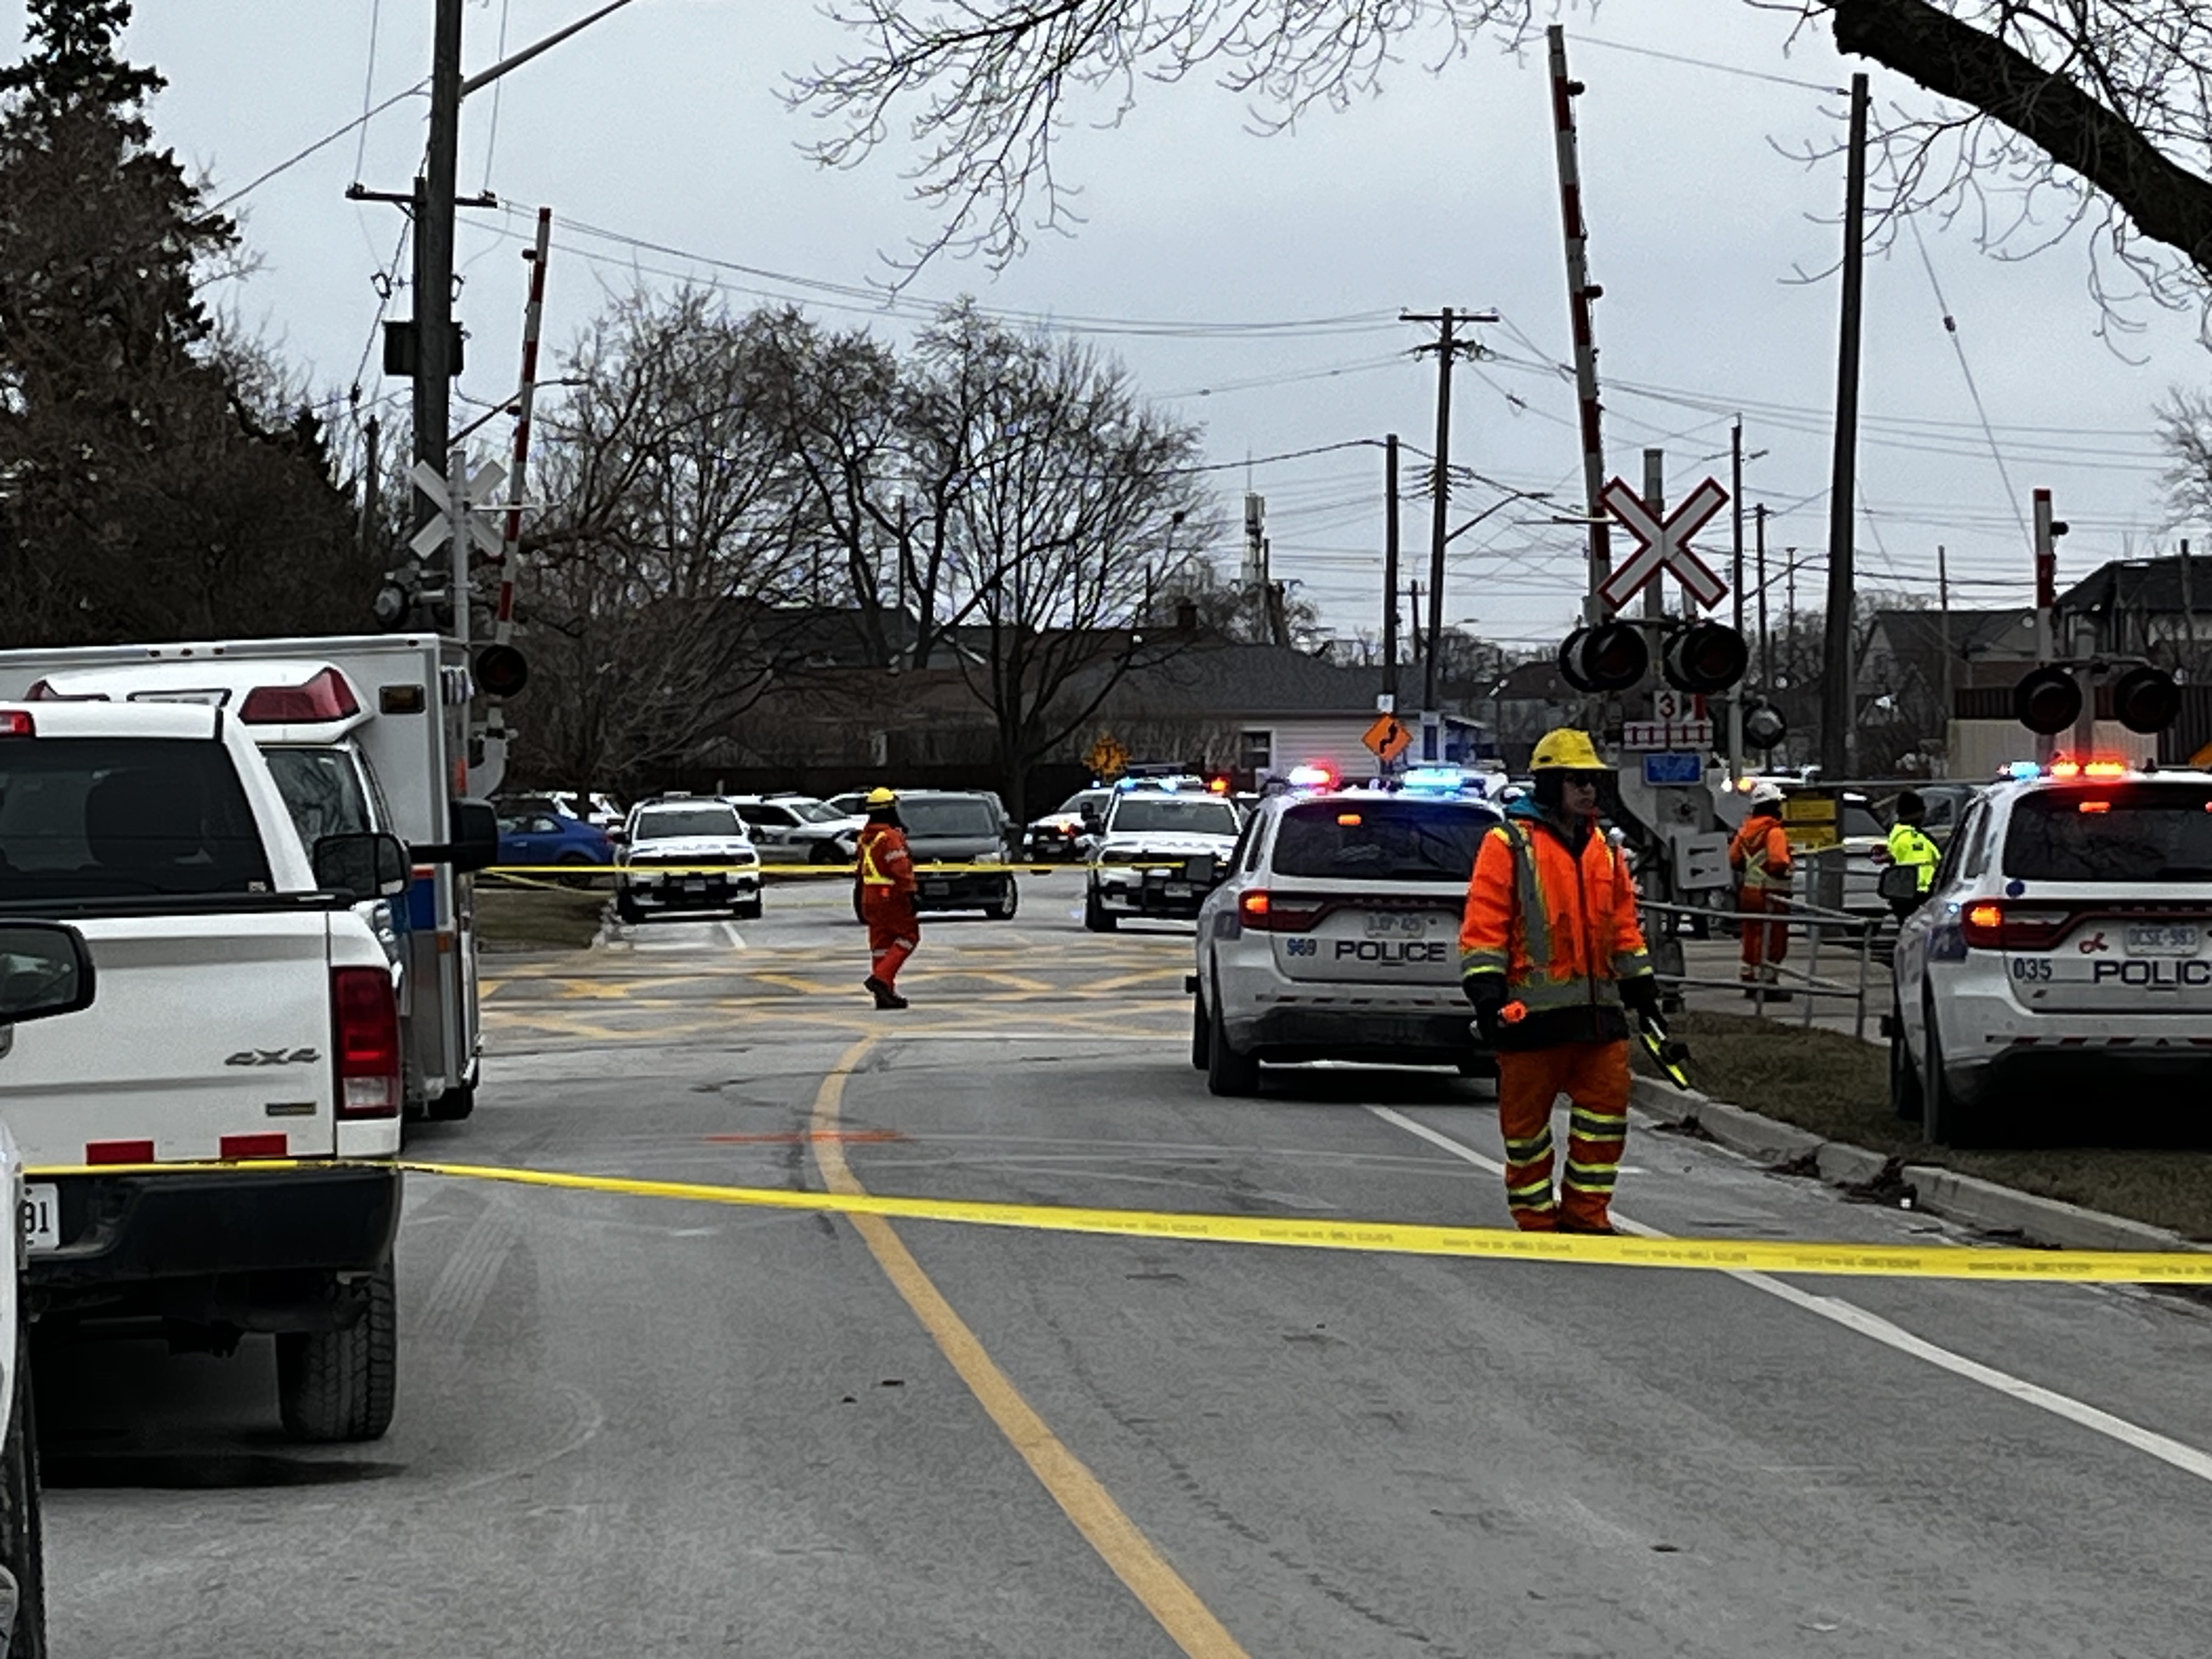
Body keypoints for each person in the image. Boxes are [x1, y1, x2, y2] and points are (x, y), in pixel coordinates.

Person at [1459, 728, 1660, 1235]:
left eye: (1591, 780)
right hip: (1531, 1017)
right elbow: (1485, 925)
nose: (1587, 790)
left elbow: (1625, 930)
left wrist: (1643, 989)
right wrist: (1487, 995)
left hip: (1598, 1019)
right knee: (1526, 1132)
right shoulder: (1508, 844)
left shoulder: (1606, 852)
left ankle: (1587, 1215)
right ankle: (1535, 1219)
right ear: (1549, 784)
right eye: (1575, 780)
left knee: (1605, 1121)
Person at [855, 787, 918, 1010]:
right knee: (909, 936)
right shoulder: (890, 838)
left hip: (869, 896)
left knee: (881, 945)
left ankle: (885, 995)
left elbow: (860, 871)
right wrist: (911, 892)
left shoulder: (865, 838)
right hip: (890, 896)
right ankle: (882, 979)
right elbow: (900, 868)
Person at [1729, 781, 1793, 998]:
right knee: (1773, 937)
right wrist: (1786, 867)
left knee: (1751, 933)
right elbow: (1778, 862)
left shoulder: (1745, 831)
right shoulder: (1774, 831)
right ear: (1774, 805)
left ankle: (1750, 977)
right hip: (1772, 893)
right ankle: (1767, 983)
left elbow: (1734, 859)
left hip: (1750, 891)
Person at [1884, 790, 1941, 921]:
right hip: (1920, 897)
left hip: (1904, 896)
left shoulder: (1898, 835)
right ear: (1918, 812)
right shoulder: (1914, 838)